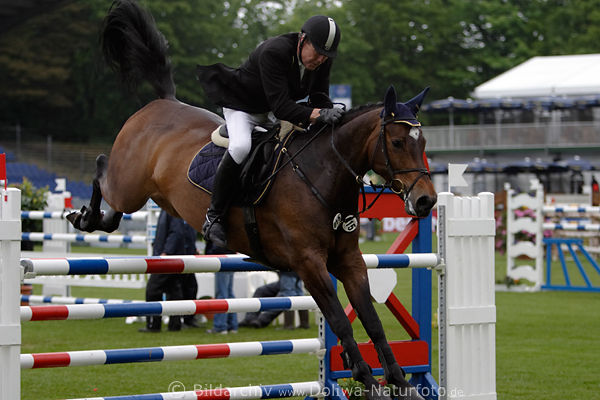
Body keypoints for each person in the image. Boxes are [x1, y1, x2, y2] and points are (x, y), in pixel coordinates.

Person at [197, 15, 344, 249]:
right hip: (243, 108)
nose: (320, 59)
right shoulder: (274, 52)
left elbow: (319, 96)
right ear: (302, 39)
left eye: (325, 56)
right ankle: (214, 216)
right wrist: (318, 114)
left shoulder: (321, 59)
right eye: (316, 52)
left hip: (271, 112)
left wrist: (333, 116)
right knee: (241, 146)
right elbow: (283, 107)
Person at [139, 210, 199, 332]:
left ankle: (153, 325)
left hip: (167, 258)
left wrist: (166, 252)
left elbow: (176, 232)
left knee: (153, 290)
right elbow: (183, 232)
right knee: (174, 290)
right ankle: (175, 324)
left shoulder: (170, 209)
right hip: (176, 257)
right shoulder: (178, 208)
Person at [238, 271, 309, 330]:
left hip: (288, 271)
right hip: (291, 274)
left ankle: (288, 325)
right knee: (261, 291)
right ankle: (250, 318)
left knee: (286, 295)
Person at [205, 241, 238, 334]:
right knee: (229, 293)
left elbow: (218, 244)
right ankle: (232, 325)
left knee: (222, 293)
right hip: (231, 258)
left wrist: (210, 254)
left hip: (222, 258)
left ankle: (220, 326)